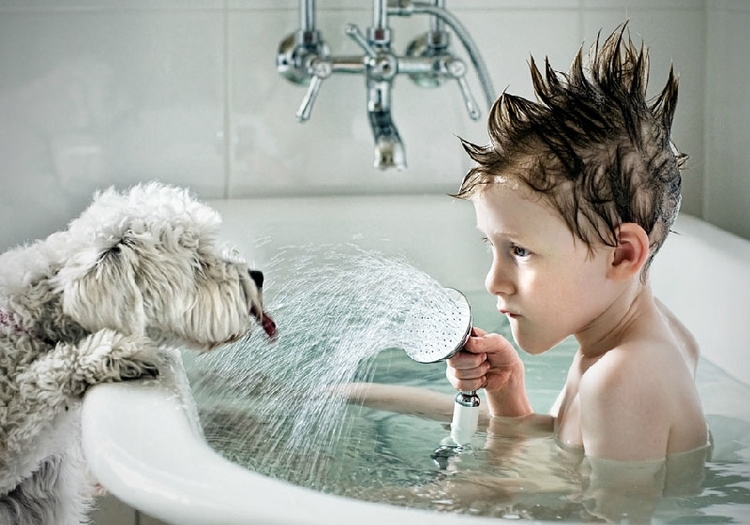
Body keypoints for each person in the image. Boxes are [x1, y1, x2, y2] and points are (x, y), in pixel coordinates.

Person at [446, 24, 708, 463]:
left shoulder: (619, 381)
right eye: (491, 247)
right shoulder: (634, 343)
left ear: (623, 254)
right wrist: (509, 393)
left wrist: (476, 494)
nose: (494, 282)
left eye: (520, 251)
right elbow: (571, 452)